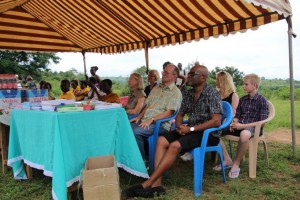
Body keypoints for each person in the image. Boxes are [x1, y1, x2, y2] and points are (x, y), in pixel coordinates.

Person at [124, 64, 223, 198]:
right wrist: (178, 126)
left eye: (192, 74)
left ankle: (148, 182)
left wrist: (190, 129)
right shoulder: (188, 93)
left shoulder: (212, 93)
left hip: (207, 133)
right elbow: (180, 114)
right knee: (161, 140)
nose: (188, 76)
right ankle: (157, 185)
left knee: (174, 145)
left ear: (203, 78)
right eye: (189, 74)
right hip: (190, 130)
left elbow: (216, 121)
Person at [181, 71, 240, 162]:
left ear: (224, 81)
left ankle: (227, 159)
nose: (216, 81)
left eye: (218, 79)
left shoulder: (233, 95)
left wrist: (226, 122)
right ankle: (191, 150)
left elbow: (233, 112)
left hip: (226, 122)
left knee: (212, 132)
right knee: (199, 126)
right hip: (214, 119)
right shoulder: (215, 93)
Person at [218, 73, 268, 179]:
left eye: (246, 84)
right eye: (243, 84)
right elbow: (237, 115)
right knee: (215, 131)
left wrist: (242, 125)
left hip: (253, 128)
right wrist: (234, 122)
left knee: (244, 135)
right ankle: (227, 159)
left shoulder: (262, 100)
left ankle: (236, 164)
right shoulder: (243, 100)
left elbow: (262, 122)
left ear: (254, 85)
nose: (243, 86)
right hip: (240, 125)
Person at [129, 63, 182, 161]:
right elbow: (148, 106)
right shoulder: (156, 88)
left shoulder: (176, 92)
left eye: (166, 72)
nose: (163, 73)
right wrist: (139, 117)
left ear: (174, 76)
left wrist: (152, 120)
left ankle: (141, 163)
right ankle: (129, 158)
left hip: (160, 124)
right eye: (163, 71)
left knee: (135, 132)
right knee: (125, 128)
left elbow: (169, 112)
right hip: (145, 120)